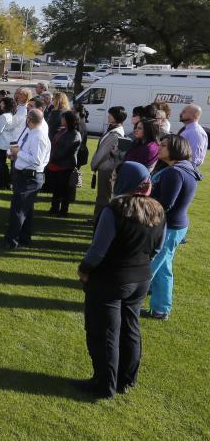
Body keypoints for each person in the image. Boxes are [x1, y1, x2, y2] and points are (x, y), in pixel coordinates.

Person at [76, 161, 166, 400]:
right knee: (130, 329)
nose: (112, 179)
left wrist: (84, 270)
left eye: (115, 176)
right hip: (140, 278)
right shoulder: (157, 209)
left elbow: (97, 251)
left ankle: (104, 385)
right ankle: (126, 380)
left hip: (111, 280)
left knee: (104, 332)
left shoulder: (114, 210)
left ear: (125, 180)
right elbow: (157, 248)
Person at [143, 135, 201, 320]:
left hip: (169, 227)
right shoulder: (184, 168)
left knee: (148, 268)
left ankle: (127, 302)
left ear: (175, 149)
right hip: (175, 226)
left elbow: (165, 204)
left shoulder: (174, 172)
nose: (159, 148)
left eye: (164, 146)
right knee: (162, 268)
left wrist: (143, 203)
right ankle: (160, 309)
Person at [1, 109, 51, 249]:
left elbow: (37, 160)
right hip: (25, 175)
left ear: (29, 120)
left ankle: (11, 241)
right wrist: (15, 153)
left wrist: (19, 153)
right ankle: (24, 238)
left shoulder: (39, 136)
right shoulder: (32, 133)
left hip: (30, 177)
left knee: (18, 210)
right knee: (26, 210)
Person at [90, 106, 127, 219]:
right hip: (106, 166)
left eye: (110, 115)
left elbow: (103, 152)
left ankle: (100, 219)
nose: (108, 116)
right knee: (103, 195)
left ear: (115, 117)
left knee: (104, 196)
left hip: (107, 168)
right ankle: (98, 217)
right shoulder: (113, 129)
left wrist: (93, 165)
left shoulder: (115, 133)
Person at [46, 111, 82, 216]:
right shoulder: (62, 131)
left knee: (65, 190)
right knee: (56, 188)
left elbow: (67, 150)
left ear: (68, 120)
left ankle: (63, 210)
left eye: (63, 118)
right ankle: (54, 208)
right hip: (56, 164)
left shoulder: (75, 134)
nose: (61, 120)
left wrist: (54, 158)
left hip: (65, 166)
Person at [0, 96, 16, 190]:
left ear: (5, 105)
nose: (0, 104)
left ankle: (0, 184)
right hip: (6, 144)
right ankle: (6, 183)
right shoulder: (11, 115)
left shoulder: (3, 116)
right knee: (3, 164)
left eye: (2, 103)